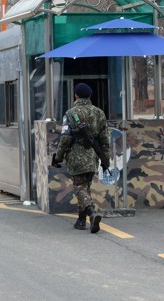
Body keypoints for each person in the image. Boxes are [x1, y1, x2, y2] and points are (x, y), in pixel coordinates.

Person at [52, 83, 110, 234]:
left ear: (76, 96)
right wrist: (105, 159)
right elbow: (104, 139)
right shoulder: (99, 113)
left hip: (76, 157)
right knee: (85, 188)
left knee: (80, 188)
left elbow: (65, 138)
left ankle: (92, 213)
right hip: (92, 157)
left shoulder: (70, 114)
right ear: (90, 96)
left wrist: (58, 156)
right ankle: (81, 220)